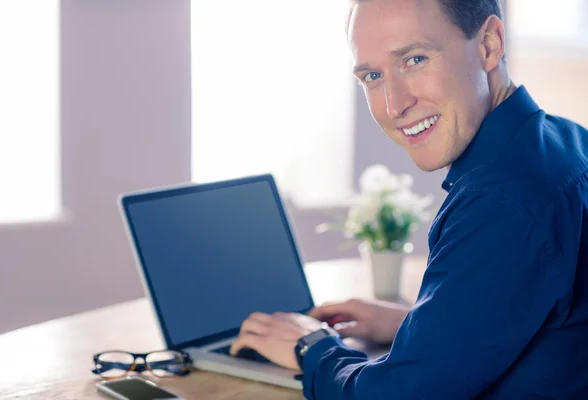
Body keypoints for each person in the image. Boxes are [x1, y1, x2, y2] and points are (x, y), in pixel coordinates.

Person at [229, 0, 588, 398]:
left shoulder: (502, 200)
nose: (393, 105)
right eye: (372, 76)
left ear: (488, 44)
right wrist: (414, 323)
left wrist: (311, 346)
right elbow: (547, 330)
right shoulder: (569, 143)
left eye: (415, 59)